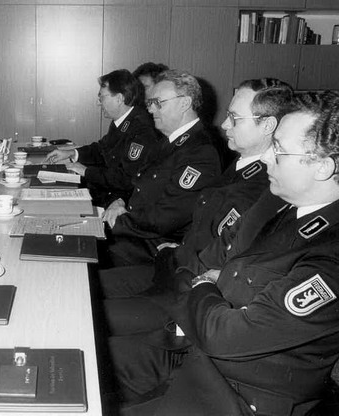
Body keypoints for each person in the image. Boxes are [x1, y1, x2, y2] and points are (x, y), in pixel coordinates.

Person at [109, 90, 339, 416]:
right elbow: (209, 259)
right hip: (192, 346)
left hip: (238, 394)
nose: (269, 160)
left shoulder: (331, 254)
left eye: (281, 151)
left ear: (323, 167)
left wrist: (205, 285)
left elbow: (226, 336)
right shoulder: (278, 203)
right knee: (81, 356)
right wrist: (208, 286)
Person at [100, 78, 294, 336]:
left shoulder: (263, 186)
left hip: (189, 292)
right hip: (174, 267)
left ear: (268, 125)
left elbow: (222, 260)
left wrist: (175, 253)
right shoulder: (239, 168)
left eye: (235, 118)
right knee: (86, 287)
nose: (225, 125)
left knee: (91, 313)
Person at [102, 70, 221, 267]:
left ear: (185, 103)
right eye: (150, 103)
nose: (150, 110)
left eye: (158, 103)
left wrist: (115, 222)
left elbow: (167, 218)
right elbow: (138, 183)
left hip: (157, 248)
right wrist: (119, 201)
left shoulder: (201, 151)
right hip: (137, 233)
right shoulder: (169, 141)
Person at [44, 69, 162, 207]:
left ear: (119, 98)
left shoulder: (141, 129)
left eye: (102, 97)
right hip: (107, 190)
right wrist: (72, 153)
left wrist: (86, 171)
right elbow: (102, 149)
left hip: (120, 201)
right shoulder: (122, 120)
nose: (98, 103)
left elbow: (126, 178)